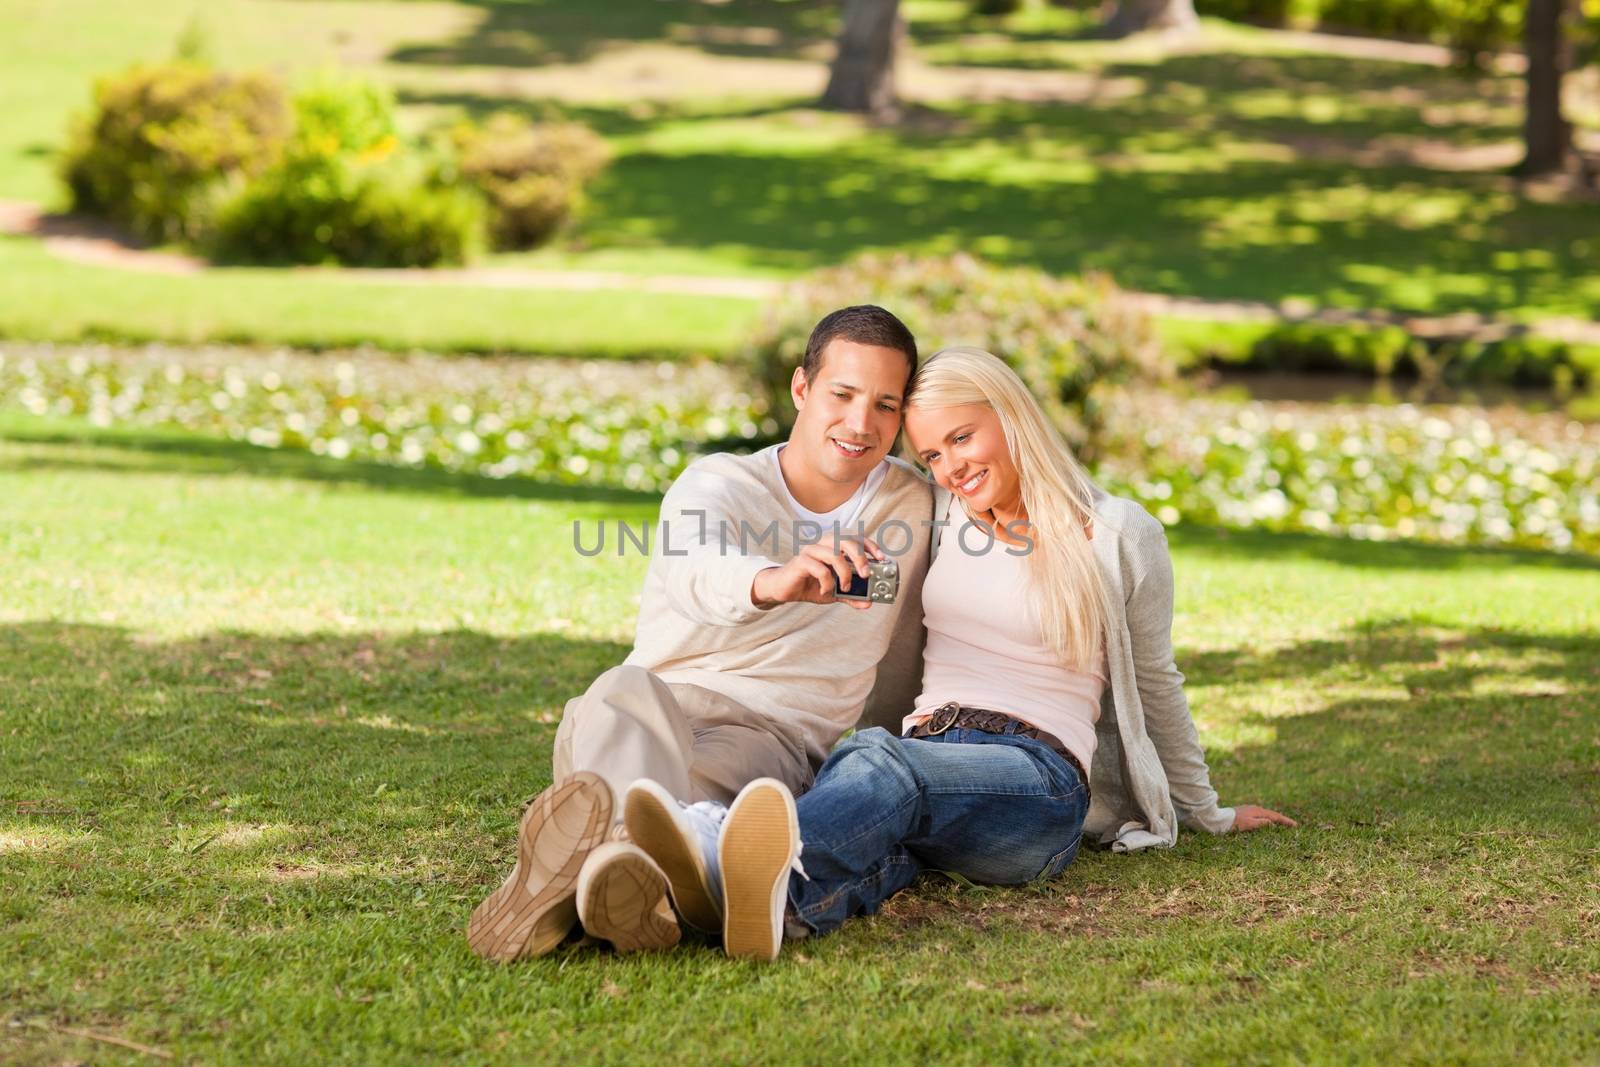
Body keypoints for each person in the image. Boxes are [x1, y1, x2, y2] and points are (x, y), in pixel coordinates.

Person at [623, 346, 1297, 960]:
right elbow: (840, 545)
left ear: (1011, 415)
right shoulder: (938, 517)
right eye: (933, 456)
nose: (952, 467)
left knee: (875, 759)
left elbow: (1157, 681)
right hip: (925, 762)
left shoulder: (1117, 535)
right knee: (883, 837)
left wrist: (1206, 810)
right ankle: (763, 905)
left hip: (1035, 781)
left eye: (962, 438)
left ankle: (722, 848)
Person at [466, 306, 937, 960]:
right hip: (659, 703)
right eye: (843, 393)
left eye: (886, 404)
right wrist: (773, 579)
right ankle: (623, 870)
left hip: (768, 738)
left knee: (666, 804)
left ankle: (584, 876)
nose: (861, 423)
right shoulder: (718, 483)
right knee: (615, 692)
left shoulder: (911, 506)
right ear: (802, 388)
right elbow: (696, 562)